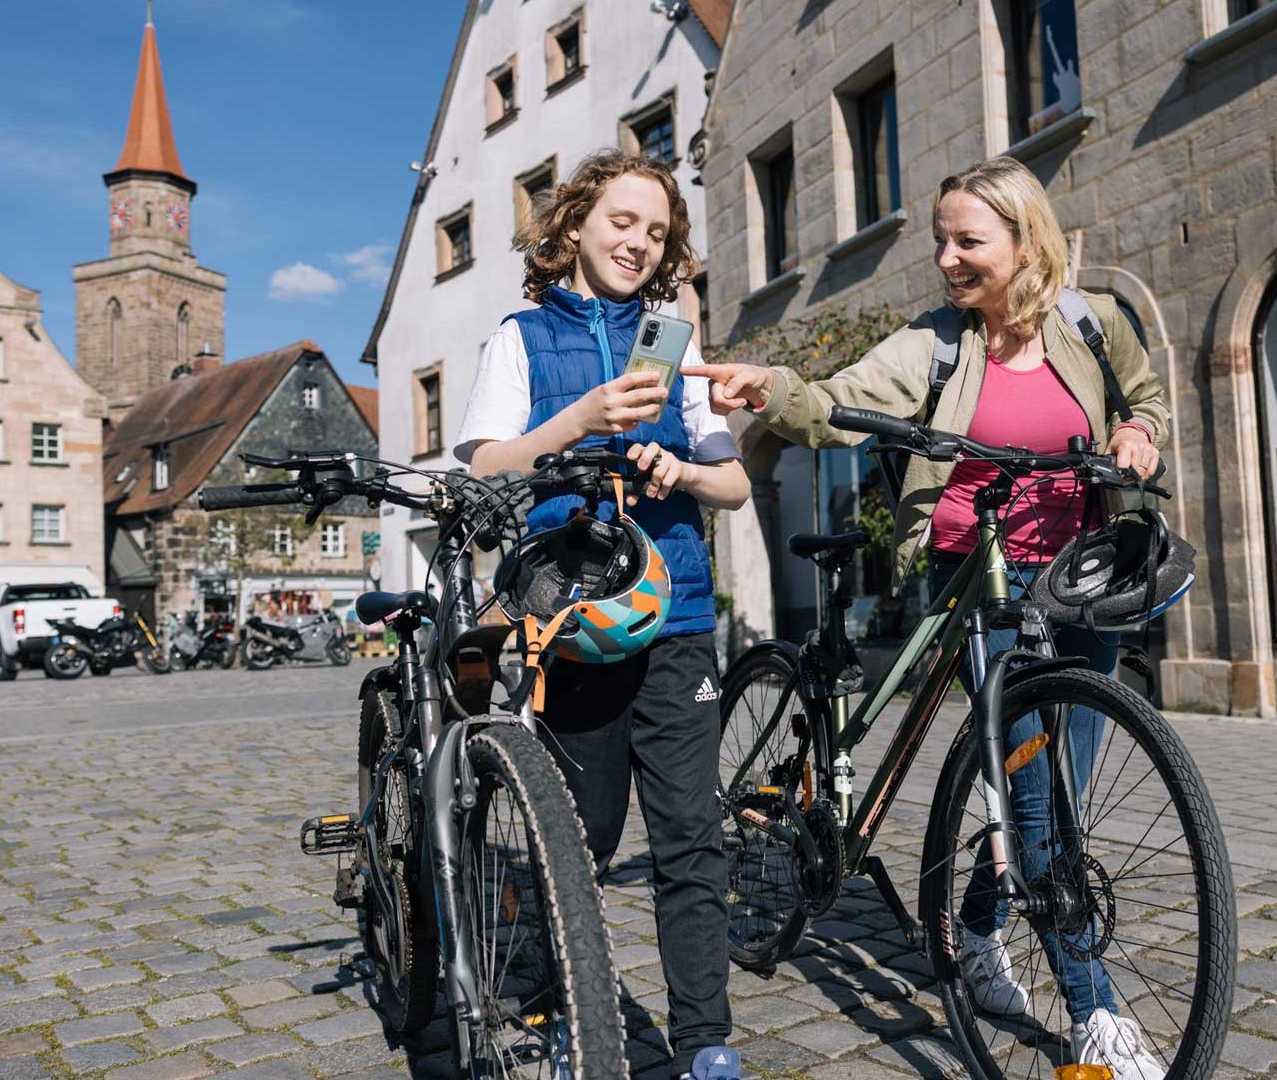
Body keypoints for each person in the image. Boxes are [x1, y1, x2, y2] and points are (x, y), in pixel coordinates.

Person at [689, 156, 1173, 1080]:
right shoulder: (937, 343)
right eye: (940, 241)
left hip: (1083, 575)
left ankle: (981, 931)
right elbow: (842, 402)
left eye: (967, 241)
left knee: (1059, 783)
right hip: (975, 575)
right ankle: (1094, 1010)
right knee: (1036, 803)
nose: (947, 258)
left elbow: (1143, 396)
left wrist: (1138, 432)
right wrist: (772, 389)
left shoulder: (1092, 323)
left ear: (1025, 242)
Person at [455, 149, 749, 1080]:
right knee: (584, 830)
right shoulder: (521, 337)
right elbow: (483, 469)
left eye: (657, 231)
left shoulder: (675, 341)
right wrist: (577, 419)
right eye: (622, 221)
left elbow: (735, 483)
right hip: (573, 616)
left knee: (691, 837)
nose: (638, 242)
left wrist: (685, 469)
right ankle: (559, 997)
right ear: (576, 224)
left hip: (677, 611)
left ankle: (705, 1041)